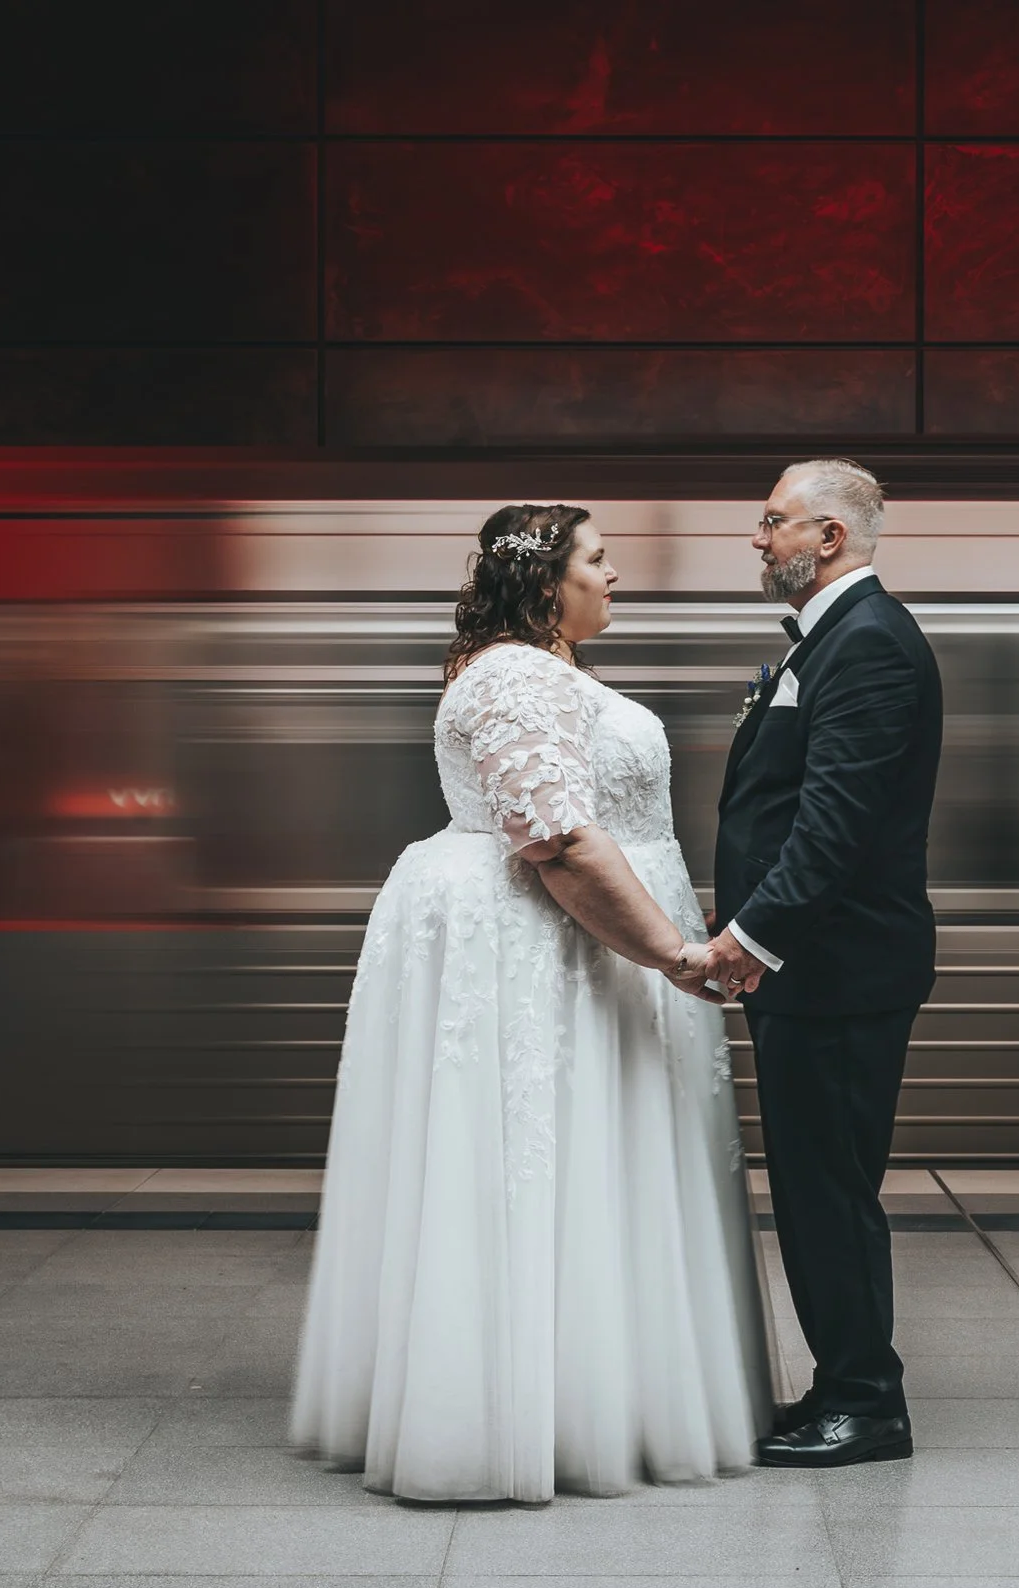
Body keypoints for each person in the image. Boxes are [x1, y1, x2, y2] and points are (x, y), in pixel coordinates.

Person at [290, 503, 770, 1503]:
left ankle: (584, 1389)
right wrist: (673, 952)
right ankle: (534, 1408)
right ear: (546, 581)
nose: (615, 573)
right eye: (598, 558)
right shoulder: (515, 674)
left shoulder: (533, 672)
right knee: (549, 1162)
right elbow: (555, 836)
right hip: (561, 952)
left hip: (582, 946)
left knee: (566, 1168)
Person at [698, 458, 942, 1468]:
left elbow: (831, 825)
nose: (757, 539)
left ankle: (864, 1400)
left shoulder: (870, 645)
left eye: (771, 522)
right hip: (818, 969)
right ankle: (840, 1381)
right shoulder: (836, 640)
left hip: (836, 970)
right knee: (812, 1183)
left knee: (827, 1186)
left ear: (828, 538)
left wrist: (749, 940)